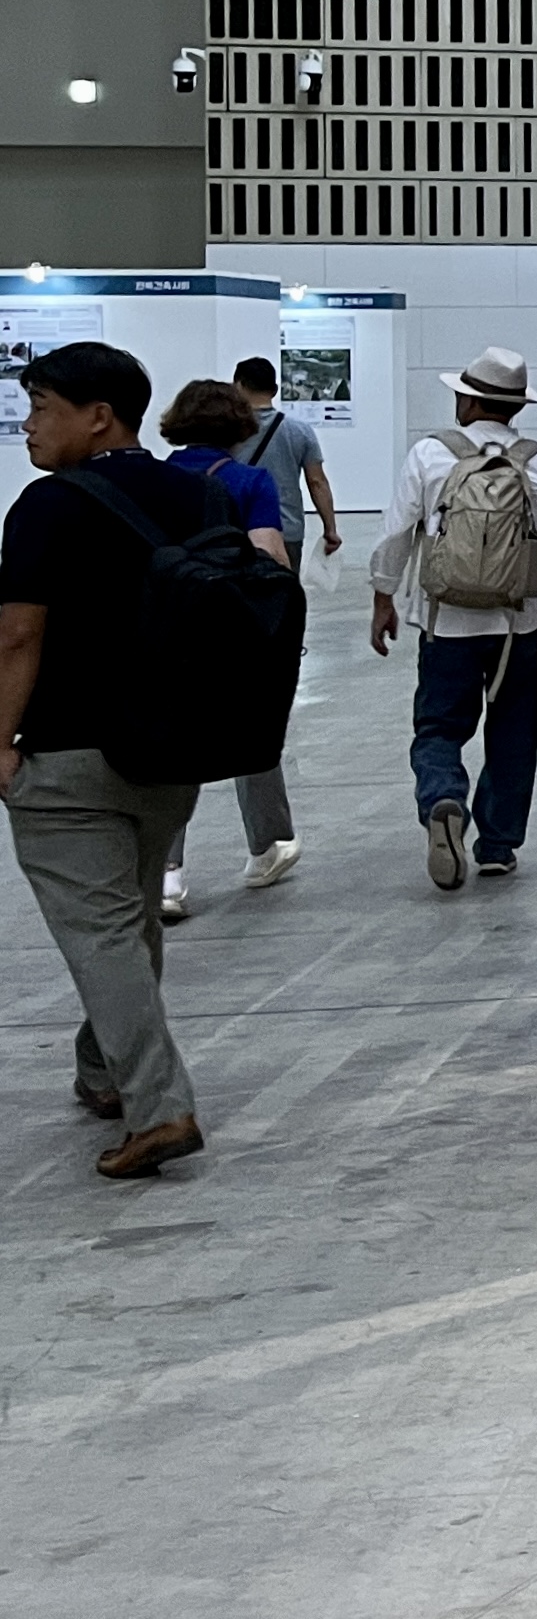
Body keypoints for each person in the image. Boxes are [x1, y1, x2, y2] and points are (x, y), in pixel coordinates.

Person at [0, 342, 221, 1176]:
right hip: (171, 752)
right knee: (127, 924)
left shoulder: (46, 505)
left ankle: (160, 1110)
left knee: (104, 936)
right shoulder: (199, 496)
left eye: (42, 407)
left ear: (99, 417)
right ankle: (103, 1071)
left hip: (68, 758)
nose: (29, 424)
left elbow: (18, 633)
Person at [369, 349, 537, 890]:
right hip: (517, 627)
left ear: (471, 402)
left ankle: (443, 798)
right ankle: (497, 845)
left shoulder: (430, 455)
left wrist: (384, 596)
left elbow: (395, 532)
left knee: (437, 727)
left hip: (446, 623)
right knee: (514, 734)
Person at [152, 380, 299, 912]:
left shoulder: (153, 479)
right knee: (251, 728)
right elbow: (268, 554)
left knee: (171, 745)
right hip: (230, 628)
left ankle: (167, 874)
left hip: (163, 628)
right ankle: (267, 846)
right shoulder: (249, 481)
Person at [232, 355, 342, 577]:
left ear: (238, 386)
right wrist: (330, 529)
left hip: (238, 528)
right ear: (274, 390)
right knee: (284, 592)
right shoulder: (300, 431)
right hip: (286, 528)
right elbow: (317, 482)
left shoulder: (227, 430)